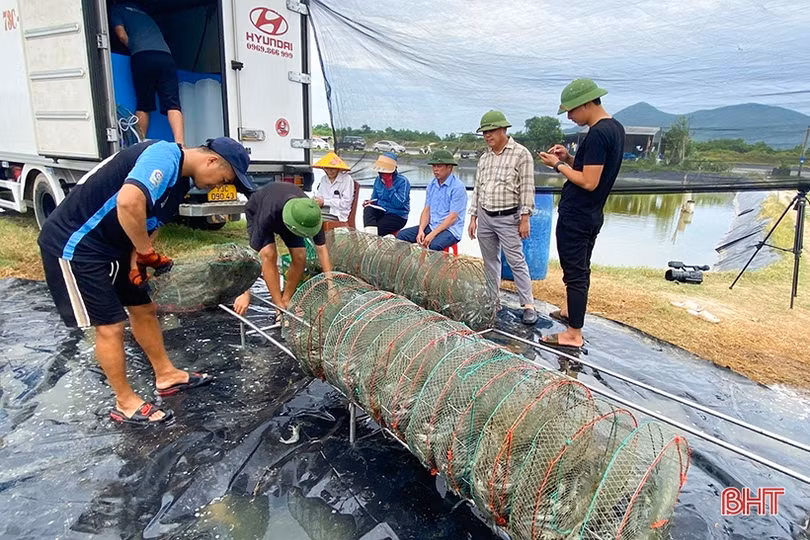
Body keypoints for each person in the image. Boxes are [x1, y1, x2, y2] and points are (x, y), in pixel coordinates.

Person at [37, 137, 255, 424]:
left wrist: (136, 261)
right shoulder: (163, 155)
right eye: (223, 179)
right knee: (111, 325)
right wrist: (145, 252)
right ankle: (124, 402)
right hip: (77, 245)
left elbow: (149, 224)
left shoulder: (180, 184)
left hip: (115, 247)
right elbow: (128, 203)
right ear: (211, 160)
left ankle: (166, 375)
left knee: (144, 308)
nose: (219, 186)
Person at [537, 78, 625, 350]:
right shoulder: (615, 129)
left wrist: (558, 165)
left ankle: (573, 333)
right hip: (591, 213)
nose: (569, 116)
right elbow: (590, 170)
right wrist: (569, 159)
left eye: (572, 110)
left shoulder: (598, 133)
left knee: (575, 273)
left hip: (578, 215)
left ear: (588, 103)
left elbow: (588, 182)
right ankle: (569, 312)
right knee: (579, 268)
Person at [468, 110, 538, 325]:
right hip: (485, 215)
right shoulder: (484, 158)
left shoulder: (521, 154)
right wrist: (473, 217)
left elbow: (527, 188)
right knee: (490, 261)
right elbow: (478, 188)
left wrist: (525, 217)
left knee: (516, 260)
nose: (488, 136)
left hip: (509, 217)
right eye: (484, 133)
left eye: (491, 131)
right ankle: (493, 300)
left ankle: (528, 305)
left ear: (503, 130)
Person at [233, 183, 332, 315]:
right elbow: (252, 256)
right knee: (269, 254)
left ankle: (286, 300)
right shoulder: (267, 214)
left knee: (300, 256)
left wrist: (331, 285)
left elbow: (322, 250)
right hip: (258, 209)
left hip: (292, 216)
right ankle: (278, 305)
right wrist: (244, 291)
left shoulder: (310, 215)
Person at [110, 1, 184, 145]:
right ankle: (181, 145)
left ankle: (139, 143)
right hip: (166, 56)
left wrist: (133, 49)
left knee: (144, 105)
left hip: (143, 56)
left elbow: (121, 35)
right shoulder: (143, 13)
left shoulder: (116, 10)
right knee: (173, 104)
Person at [396, 150, 466, 251]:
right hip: (432, 225)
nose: (435, 170)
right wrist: (421, 230)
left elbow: (452, 218)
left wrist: (432, 234)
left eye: (439, 166)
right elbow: (427, 210)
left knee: (434, 245)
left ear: (449, 168)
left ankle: (436, 267)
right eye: (434, 166)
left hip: (451, 230)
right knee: (401, 236)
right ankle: (407, 265)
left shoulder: (457, 187)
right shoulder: (432, 185)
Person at [362, 152, 410, 236]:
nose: (382, 175)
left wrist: (390, 186)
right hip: (382, 210)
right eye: (380, 172)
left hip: (397, 215)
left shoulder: (403, 181)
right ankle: (370, 240)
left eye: (384, 173)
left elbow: (399, 204)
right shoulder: (378, 180)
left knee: (379, 228)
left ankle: (372, 240)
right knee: (368, 209)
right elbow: (375, 198)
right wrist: (370, 202)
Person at [312, 152, 355, 227]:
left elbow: (346, 203)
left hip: (338, 213)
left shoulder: (347, 180)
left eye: (332, 169)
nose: (329, 171)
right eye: (327, 168)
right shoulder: (323, 179)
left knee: (314, 220)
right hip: (323, 210)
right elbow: (320, 196)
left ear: (338, 168)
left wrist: (325, 202)